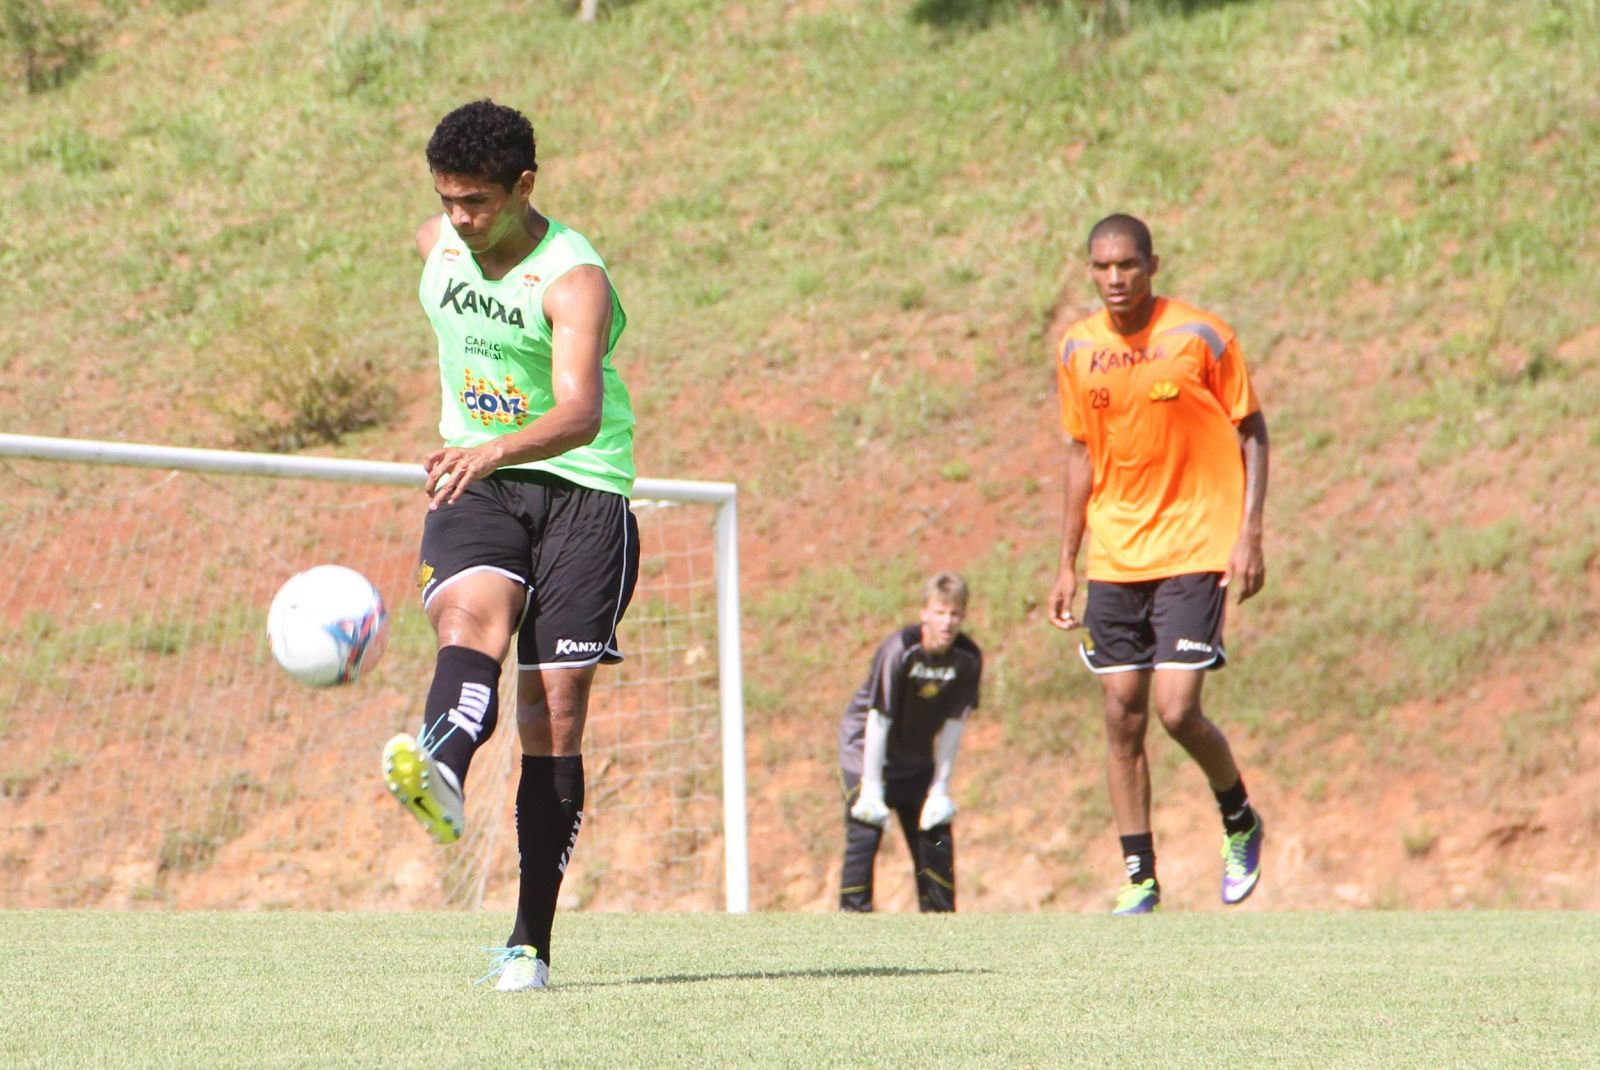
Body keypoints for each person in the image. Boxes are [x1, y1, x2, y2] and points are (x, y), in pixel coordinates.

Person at [380, 99, 638, 990]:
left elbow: (580, 412)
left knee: (552, 711)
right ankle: (443, 767)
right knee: (468, 621)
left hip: (582, 491)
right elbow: (435, 242)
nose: (458, 218)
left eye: (477, 201)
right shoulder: (438, 243)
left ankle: (530, 942)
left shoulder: (572, 279)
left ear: (525, 186)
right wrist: (480, 452)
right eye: (446, 199)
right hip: (479, 480)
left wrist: (493, 445)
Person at [1047, 213, 1268, 916]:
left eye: (1127, 265)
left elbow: (1252, 430)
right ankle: (1139, 876)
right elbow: (1081, 454)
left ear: (1152, 265)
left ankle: (1239, 818)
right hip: (1116, 553)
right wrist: (1066, 561)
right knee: (1121, 713)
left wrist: (1250, 532)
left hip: (1195, 544)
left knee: (1176, 710)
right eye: (1101, 267)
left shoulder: (1201, 336)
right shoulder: (1077, 348)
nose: (1115, 278)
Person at [838, 572, 981, 913]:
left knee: (934, 831)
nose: (947, 622)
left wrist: (940, 788)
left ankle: (939, 921)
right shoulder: (900, 651)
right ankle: (853, 917)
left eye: (955, 613)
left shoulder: (967, 658)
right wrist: (872, 787)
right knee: (866, 828)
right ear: (924, 613)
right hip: (865, 751)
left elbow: (954, 725)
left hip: (915, 757)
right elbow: (879, 717)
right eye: (940, 612)